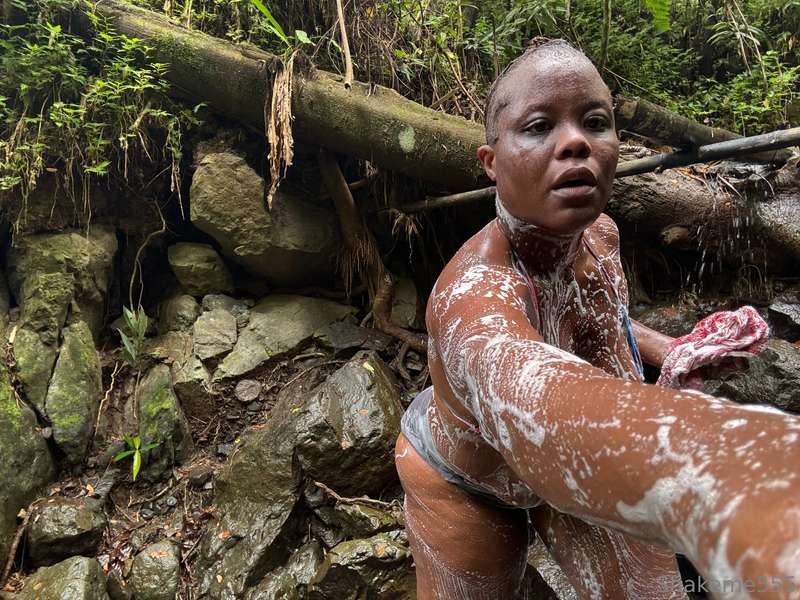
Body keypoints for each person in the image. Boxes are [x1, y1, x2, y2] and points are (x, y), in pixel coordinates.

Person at [395, 37, 800, 600]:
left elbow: (594, 320)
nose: (576, 142)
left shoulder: (602, 237)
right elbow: (530, 397)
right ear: (491, 163)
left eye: (595, 122)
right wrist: (726, 460)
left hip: (567, 459)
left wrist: (672, 349)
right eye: (539, 127)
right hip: (469, 479)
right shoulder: (473, 294)